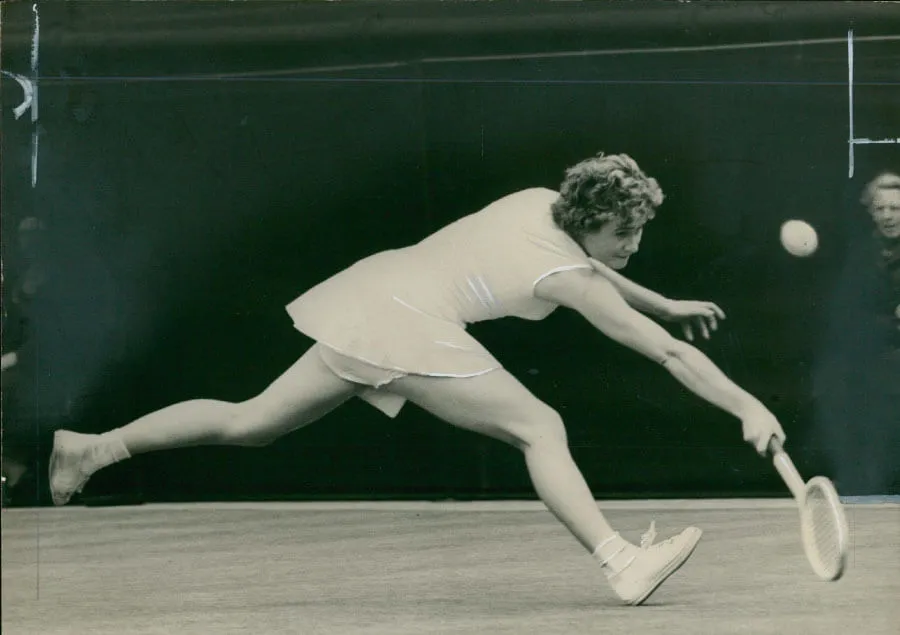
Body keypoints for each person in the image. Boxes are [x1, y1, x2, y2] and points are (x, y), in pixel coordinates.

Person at [49, 152, 785, 605]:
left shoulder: (540, 203)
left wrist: (665, 300)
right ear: (589, 219)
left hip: (374, 291)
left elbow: (595, 269)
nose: (635, 243)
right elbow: (667, 354)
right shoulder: (565, 272)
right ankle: (621, 561)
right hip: (407, 318)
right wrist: (748, 404)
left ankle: (94, 448)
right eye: (625, 231)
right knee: (541, 425)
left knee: (254, 419)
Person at [813, 171, 899, 495]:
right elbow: (846, 315)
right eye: (881, 209)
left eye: (896, 208)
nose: (888, 216)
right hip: (868, 366)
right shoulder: (860, 255)